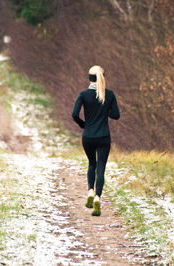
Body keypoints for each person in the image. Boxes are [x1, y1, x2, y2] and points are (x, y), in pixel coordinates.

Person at [71, 65, 120, 216]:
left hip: (88, 136)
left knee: (91, 164)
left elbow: (74, 114)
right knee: (101, 167)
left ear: (89, 78)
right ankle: (98, 197)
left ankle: (90, 192)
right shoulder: (109, 95)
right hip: (104, 136)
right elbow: (116, 115)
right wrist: (105, 111)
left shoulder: (83, 94)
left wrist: (83, 125)